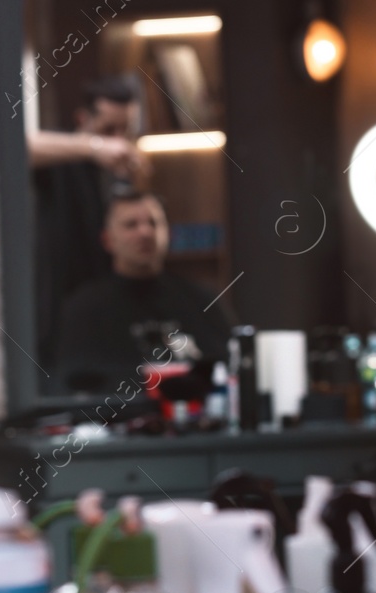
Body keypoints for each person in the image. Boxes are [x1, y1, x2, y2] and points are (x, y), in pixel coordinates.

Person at [54, 191, 230, 391]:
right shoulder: (84, 309)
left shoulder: (202, 301)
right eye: (131, 225)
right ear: (107, 240)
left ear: (168, 233)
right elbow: (74, 381)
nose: (145, 233)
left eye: (154, 223)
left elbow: (226, 366)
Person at [29, 77, 151, 358]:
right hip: (63, 311)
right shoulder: (64, 159)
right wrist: (94, 146)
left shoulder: (123, 174)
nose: (118, 141)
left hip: (114, 308)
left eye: (126, 131)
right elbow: (18, 148)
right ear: (83, 119)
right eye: (109, 129)